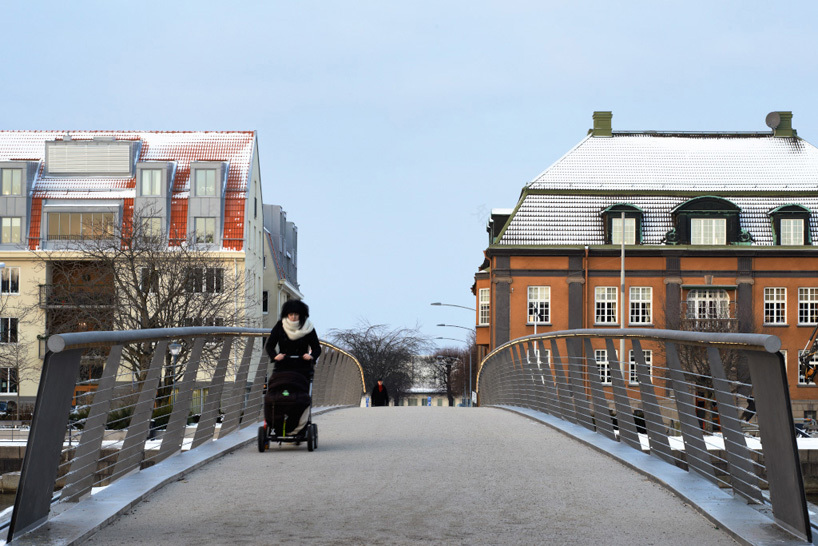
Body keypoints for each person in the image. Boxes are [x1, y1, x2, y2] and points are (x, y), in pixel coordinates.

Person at [265, 299, 321, 376]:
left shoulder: (308, 327)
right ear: (287, 315)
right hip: (283, 365)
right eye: (291, 314)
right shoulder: (280, 326)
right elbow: (269, 345)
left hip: (302, 366)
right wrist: (275, 356)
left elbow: (317, 348)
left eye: (296, 314)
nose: (293, 317)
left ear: (301, 315)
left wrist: (311, 356)